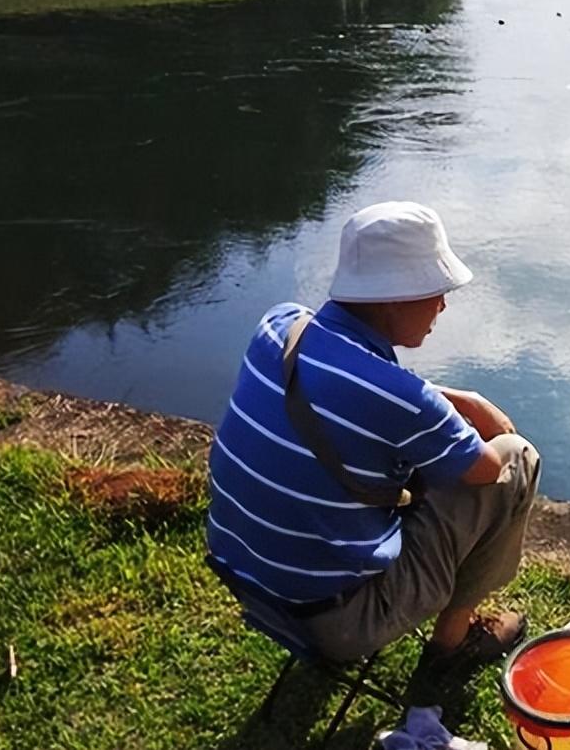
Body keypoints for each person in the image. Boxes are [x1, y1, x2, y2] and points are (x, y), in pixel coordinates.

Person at [206, 201, 540, 692]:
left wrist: (445, 398)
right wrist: (480, 408)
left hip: (245, 579)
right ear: (394, 299)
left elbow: (351, 386)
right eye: (435, 292)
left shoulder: (279, 327)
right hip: (338, 623)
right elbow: (489, 469)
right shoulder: (406, 401)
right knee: (517, 458)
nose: (443, 307)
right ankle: (455, 642)